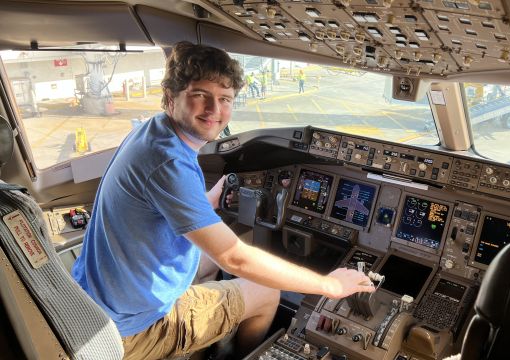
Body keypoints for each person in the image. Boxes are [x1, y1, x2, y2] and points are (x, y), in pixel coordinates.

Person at [71, 41, 374, 360]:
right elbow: (236, 259)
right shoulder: (170, 164)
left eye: (225, 99)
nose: (214, 110)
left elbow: (168, 203)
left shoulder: (151, 132)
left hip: (96, 300)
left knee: (208, 264)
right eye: (200, 95)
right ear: (171, 96)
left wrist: (207, 202)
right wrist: (331, 287)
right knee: (266, 291)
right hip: (133, 329)